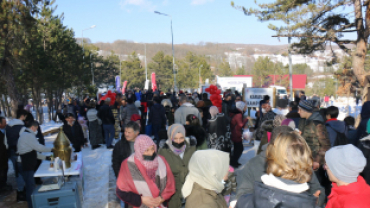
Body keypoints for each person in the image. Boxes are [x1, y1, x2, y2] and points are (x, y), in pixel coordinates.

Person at [232, 126, 324, 207]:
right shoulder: (254, 164)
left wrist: (315, 200)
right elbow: (243, 192)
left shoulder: (299, 163)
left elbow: (318, 190)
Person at [116, 135, 176, 208]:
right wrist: (140, 200)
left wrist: (162, 198)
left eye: (152, 149)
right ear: (139, 150)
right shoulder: (128, 165)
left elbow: (170, 184)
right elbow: (121, 191)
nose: (151, 153)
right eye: (146, 150)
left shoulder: (161, 161)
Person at [158, 124, 196, 208]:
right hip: (173, 195)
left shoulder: (191, 148)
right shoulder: (164, 151)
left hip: (190, 192)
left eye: (181, 138)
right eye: (175, 138)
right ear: (170, 137)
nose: (178, 141)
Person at [17, 121, 53, 208]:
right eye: (36, 128)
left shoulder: (26, 134)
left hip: (25, 162)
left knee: (30, 185)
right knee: (30, 186)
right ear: (33, 127)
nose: (37, 130)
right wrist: (52, 149)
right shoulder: (28, 135)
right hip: (24, 164)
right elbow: (39, 147)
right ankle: (32, 205)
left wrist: (46, 158)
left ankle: (32, 203)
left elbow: (32, 152)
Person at [6, 109, 28, 201]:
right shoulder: (22, 127)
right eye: (25, 116)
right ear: (22, 116)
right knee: (23, 172)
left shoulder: (8, 125)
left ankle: (20, 192)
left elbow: (5, 141)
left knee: (17, 172)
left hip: (11, 152)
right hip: (20, 152)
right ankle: (23, 193)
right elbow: (23, 141)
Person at [230, 101, 248, 168]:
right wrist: (246, 119)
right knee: (240, 148)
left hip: (233, 132)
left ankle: (234, 161)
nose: (246, 108)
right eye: (245, 106)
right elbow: (241, 124)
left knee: (236, 148)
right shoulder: (239, 114)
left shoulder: (234, 112)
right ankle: (233, 162)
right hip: (236, 133)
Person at [0, 116, 11, 192]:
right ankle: (2, 186)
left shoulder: (4, 131)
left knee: (4, 170)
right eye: (4, 123)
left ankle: (4, 184)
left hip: (4, 157)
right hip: (1, 158)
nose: (6, 124)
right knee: (2, 172)